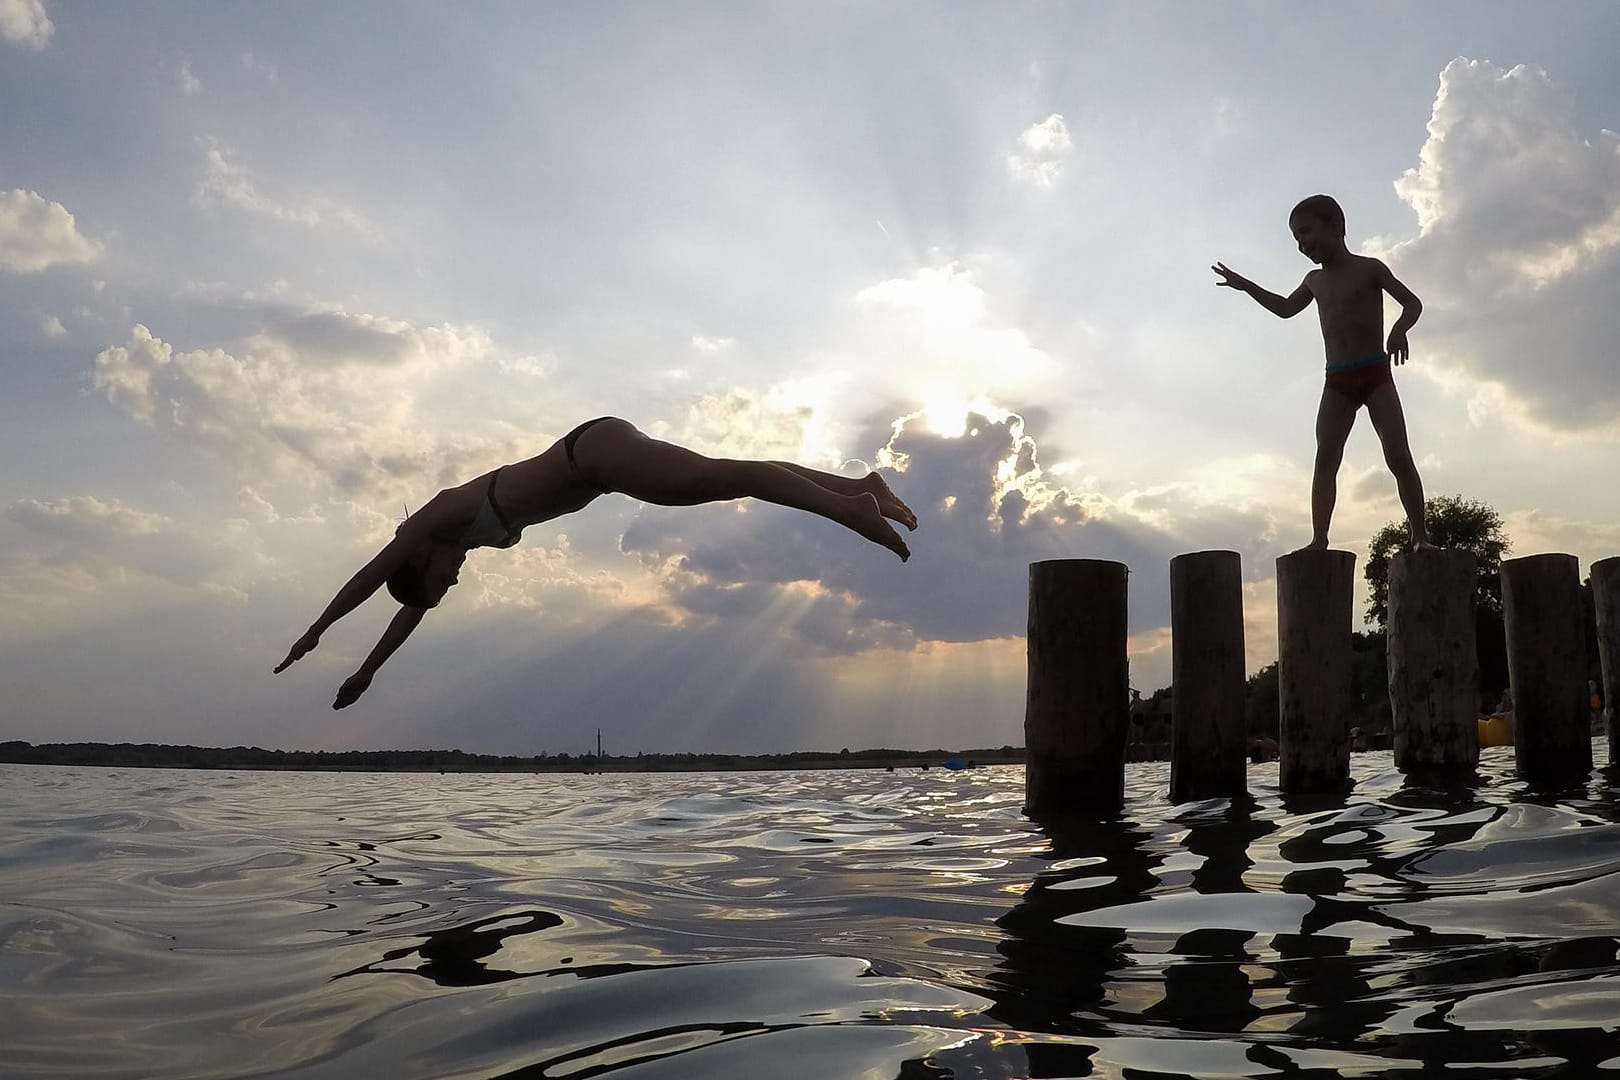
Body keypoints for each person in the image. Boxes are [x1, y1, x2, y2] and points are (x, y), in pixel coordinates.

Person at [275, 417, 917, 708]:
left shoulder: (435, 520)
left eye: (439, 583)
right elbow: (409, 612)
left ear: (421, 560)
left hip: (594, 456)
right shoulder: (454, 542)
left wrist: (317, 630)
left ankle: (853, 506)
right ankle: (861, 486)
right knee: (725, 476)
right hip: (599, 458)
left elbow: (372, 575)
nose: (451, 583)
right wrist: (366, 673)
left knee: (728, 478)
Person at [1213, 194, 1429, 550]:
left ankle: (1420, 536)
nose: (1303, 244)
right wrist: (1247, 286)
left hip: (1375, 374)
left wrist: (1399, 329)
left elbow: (1412, 303)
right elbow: (1284, 308)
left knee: (1398, 455)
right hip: (1338, 380)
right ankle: (1319, 540)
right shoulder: (1314, 280)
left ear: (1336, 227)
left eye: (1307, 233)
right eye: (1297, 239)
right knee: (1326, 458)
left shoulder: (1370, 268)